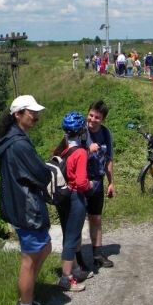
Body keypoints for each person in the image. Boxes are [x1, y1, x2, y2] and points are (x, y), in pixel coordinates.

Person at [0, 95, 55, 305]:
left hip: (18, 203)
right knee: (30, 259)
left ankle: (27, 297)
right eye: (31, 112)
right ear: (17, 115)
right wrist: (47, 170)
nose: (36, 116)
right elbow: (41, 173)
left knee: (45, 247)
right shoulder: (19, 144)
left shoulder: (10, 139)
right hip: (26, 207)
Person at [53, 111, 91, 292]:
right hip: (76, 197)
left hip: (63, 196)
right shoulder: (81, 153)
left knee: (68, 234)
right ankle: (66, 279)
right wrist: (91, 184)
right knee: (72, 237)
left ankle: (75, 269)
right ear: (82, 130)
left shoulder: (61, 149)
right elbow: (82, 182)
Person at [83, 100, 115, 269]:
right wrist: (88, 150)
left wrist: (111, 182)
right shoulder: (78, 131)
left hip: (97, 182)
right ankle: (77, 261)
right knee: (76, 221)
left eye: (97, 117)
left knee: (96, 219)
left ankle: (97, 255)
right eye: (91, 115)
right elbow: (65, 154)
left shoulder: (105, 133)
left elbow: (108, 159)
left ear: (102, 120)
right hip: (79, 184)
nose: (92, 119)